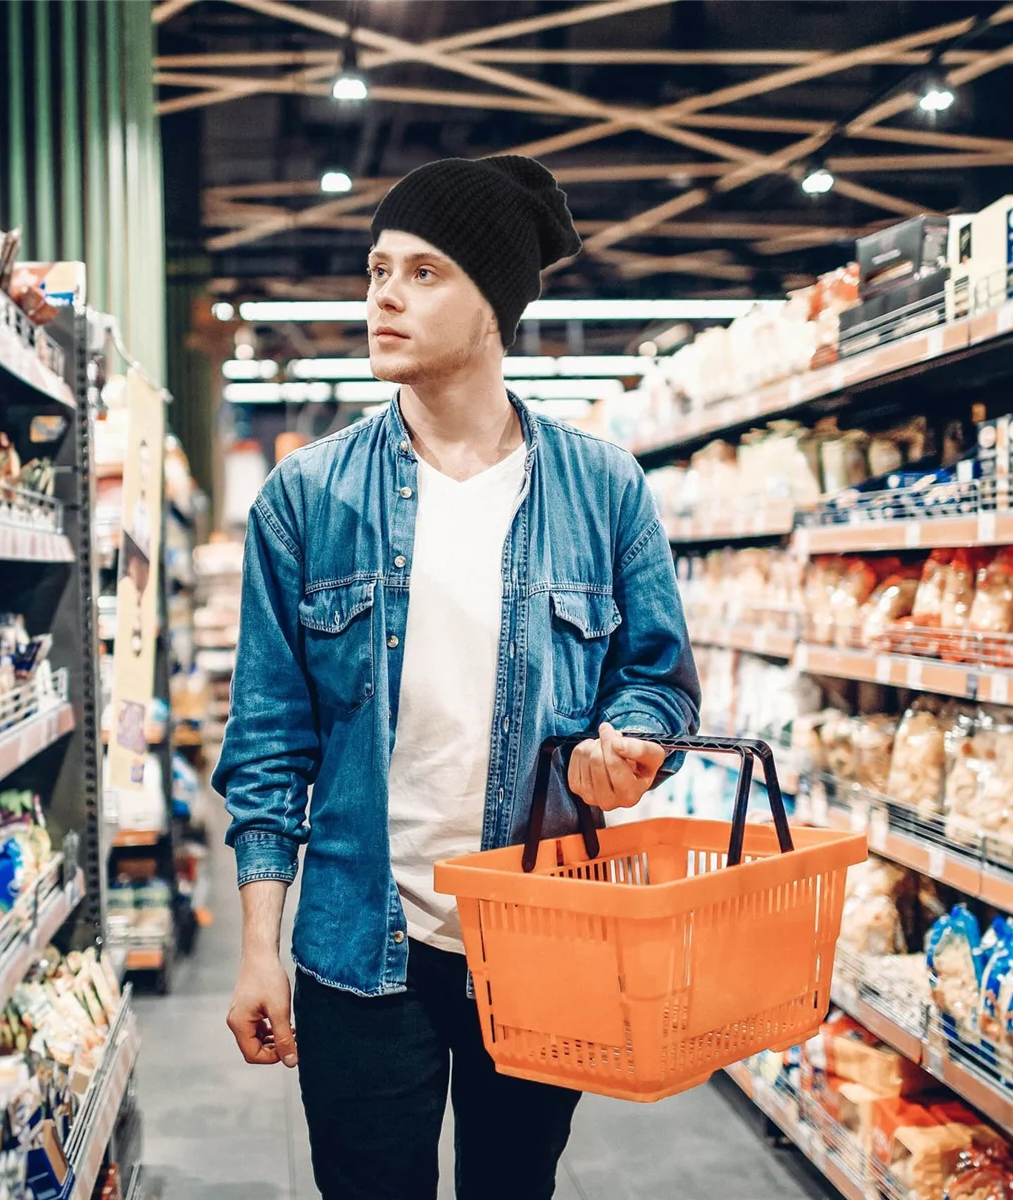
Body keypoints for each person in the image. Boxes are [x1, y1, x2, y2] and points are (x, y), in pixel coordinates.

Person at [212, 155, 701, 1200]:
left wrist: (628, 753)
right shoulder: (305, 499)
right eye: (379, 268)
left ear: (496, 302)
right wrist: (259, 946)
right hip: (357, 945)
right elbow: (266, 745)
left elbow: (657, 680)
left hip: (543, 937)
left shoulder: (605, 488)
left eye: (424, 272)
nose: (384, 293)